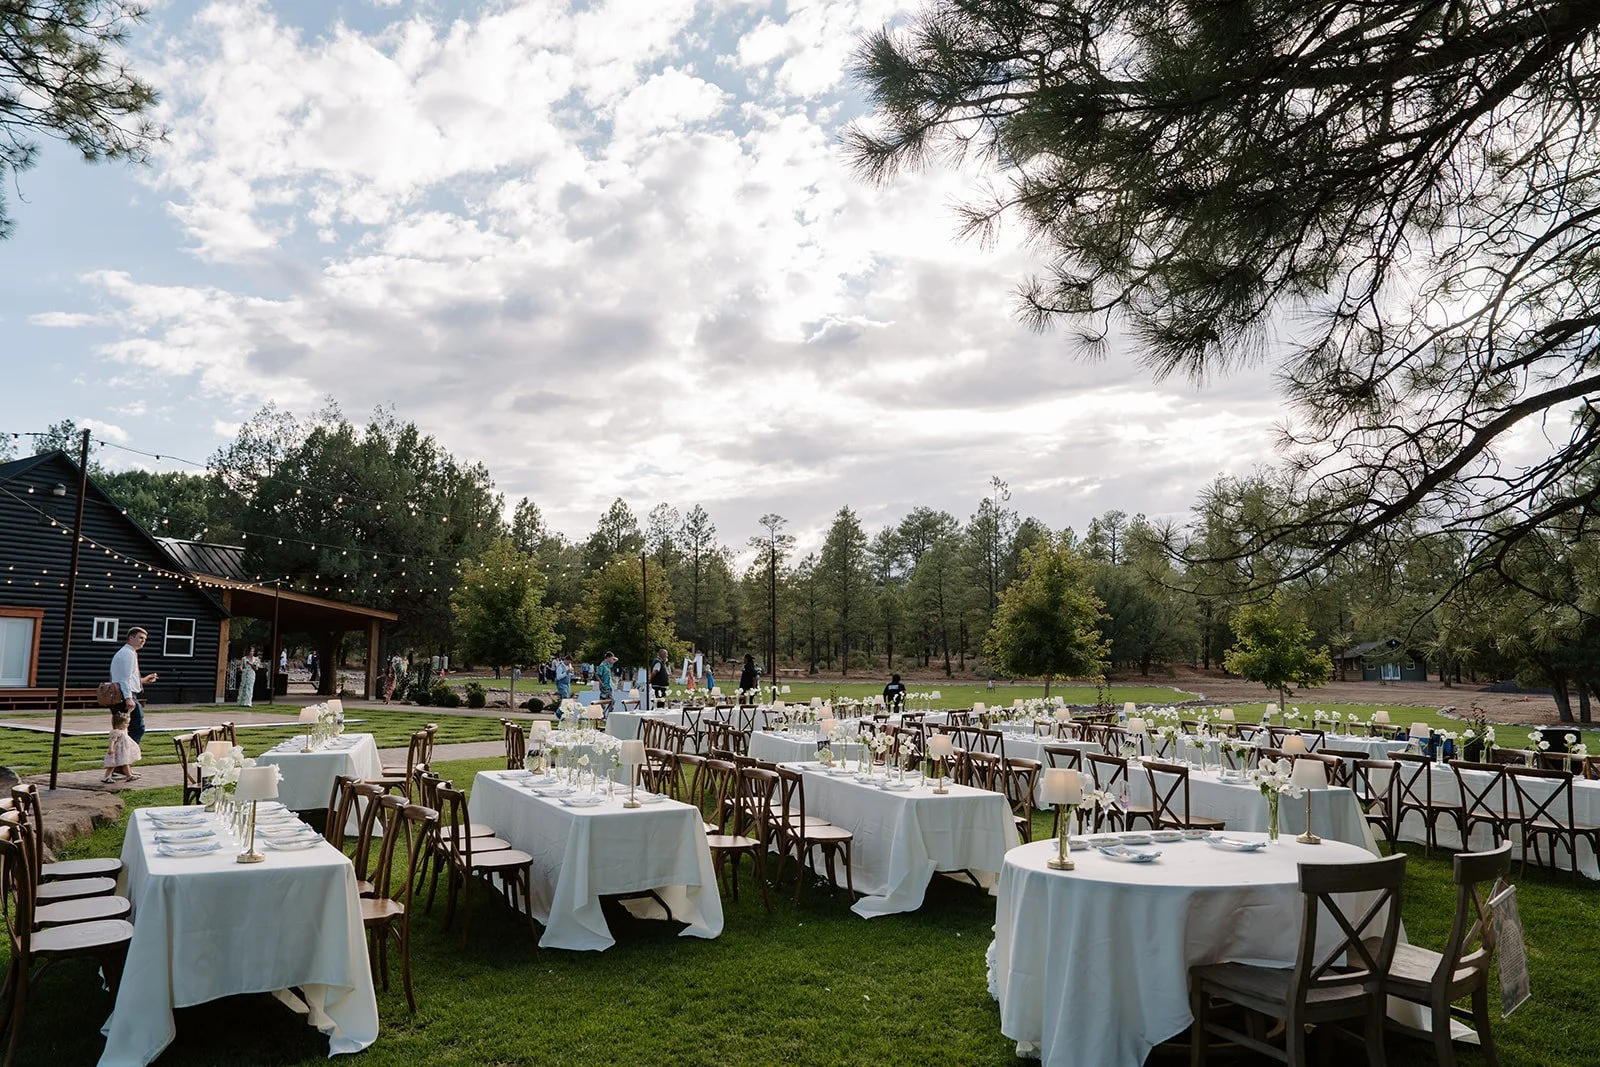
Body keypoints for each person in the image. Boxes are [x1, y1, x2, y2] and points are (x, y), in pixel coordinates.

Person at [109, 626, 156, 744]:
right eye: (140, 638)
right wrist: (128, 698)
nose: (143, 641)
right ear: (131, 638)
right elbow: (124, 679)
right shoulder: (128, 654)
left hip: (122, 694)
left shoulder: (127, 652)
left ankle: (121, 751)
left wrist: (143, 680)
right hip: (125, 696)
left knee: (123, 729)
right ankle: (129, 751)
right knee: (137, 727)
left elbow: (125, 677)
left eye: (144, 639)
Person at [101, 706, 141, 783]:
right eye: (126, 723)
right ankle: (107, 777)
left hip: (123, 751)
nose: (128, 725)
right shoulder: (116, 732)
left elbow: (128, 718)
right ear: (119, 724)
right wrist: (111, 748)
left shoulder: (124, 729)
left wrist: (129, 712)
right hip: (117, 751)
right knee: (113, 765)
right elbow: (112, 741)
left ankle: (128, 775)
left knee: (126, 762)